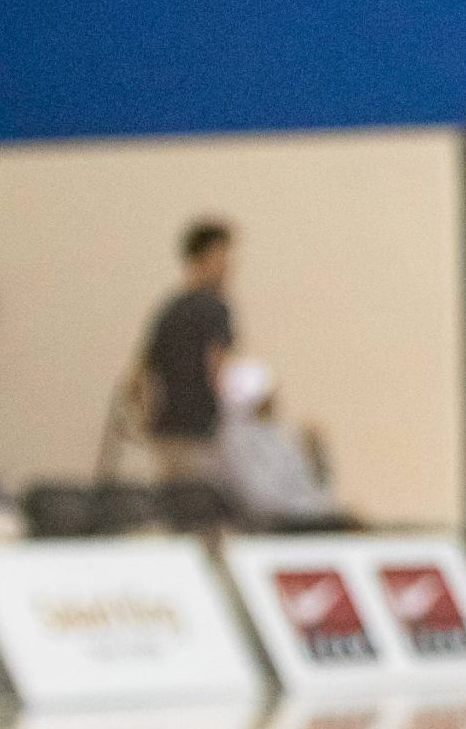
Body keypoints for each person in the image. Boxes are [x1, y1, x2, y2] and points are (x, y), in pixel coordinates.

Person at [131, 219, 236, 484]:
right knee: (205, 513)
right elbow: (218, 372)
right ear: (205, 256)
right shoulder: (215, 308)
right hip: (202, 434)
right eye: (222, 255)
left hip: (166, 434)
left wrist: (151, 421)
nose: (228, 266)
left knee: (178, 511)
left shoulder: (168, 309)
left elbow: (139, 376)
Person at [216, 358, 356, 532]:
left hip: (302, 515)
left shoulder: (281, 435)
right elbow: (259, 498)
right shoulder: (234, 440)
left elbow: (313, 489)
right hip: (273, 523)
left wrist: (317, 457)